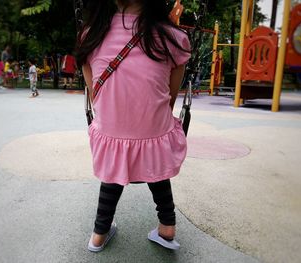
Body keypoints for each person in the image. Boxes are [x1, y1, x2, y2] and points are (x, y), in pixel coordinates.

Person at [76, 0, 190, 252]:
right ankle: (167, 227)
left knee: (113, 166)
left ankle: (99, 233)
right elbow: (169, 97)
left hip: (111, 133)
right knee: (156, 162)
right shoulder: (172, 36)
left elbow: (95, 96)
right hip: (155, 134)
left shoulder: (91, 35)